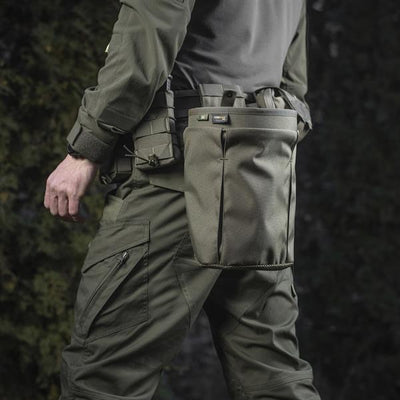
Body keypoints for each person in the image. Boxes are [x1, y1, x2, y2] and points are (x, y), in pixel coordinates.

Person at [44, 0, 321, 399]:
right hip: (260, 180)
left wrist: (86, 148)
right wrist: (259, 149)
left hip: (177, 178)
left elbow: (145, 45)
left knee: (104, 378)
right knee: (273, 376)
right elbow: (293, 79)